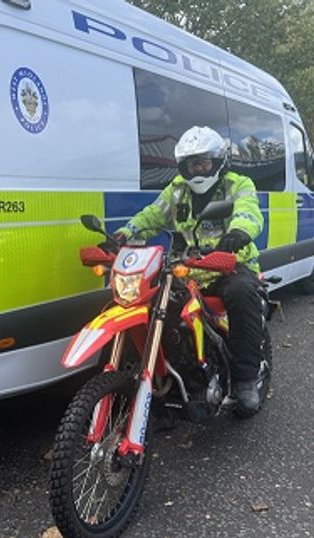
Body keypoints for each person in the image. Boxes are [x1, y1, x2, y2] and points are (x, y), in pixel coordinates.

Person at [116, 125, 267, 416]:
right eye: (189, 164)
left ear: (218, 161)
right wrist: (125, 233)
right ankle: (169, 373)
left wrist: (238, 232)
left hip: (230, 266)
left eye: (202, 162)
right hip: (190, 268)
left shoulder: (238, 184)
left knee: (241, 294)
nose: (196, 169)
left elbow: (248, 212)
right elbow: (151, 215)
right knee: (156, 303)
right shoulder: (177, 190)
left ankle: (246, 381)